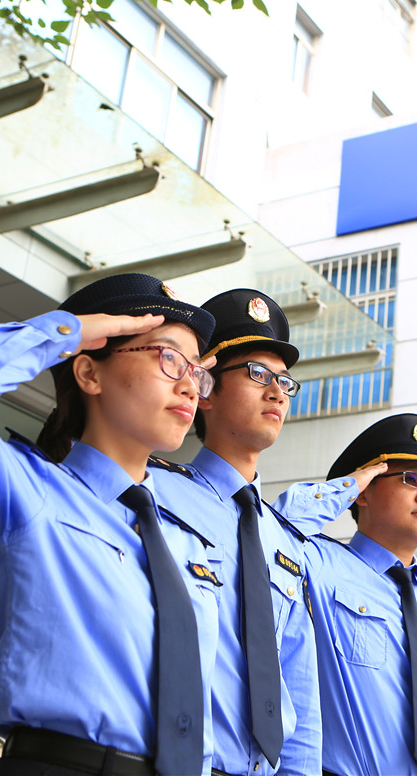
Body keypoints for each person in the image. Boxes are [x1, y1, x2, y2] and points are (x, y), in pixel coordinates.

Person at [0, 273, 222, 776]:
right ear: (90, 374)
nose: (189, 385)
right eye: (168, 358)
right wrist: (70, 332)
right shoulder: (31, 493)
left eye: (198, 372)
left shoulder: (183, 541)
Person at [152, 288, 321, 776]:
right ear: (203, 388)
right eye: (256, 374)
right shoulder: (152, 495)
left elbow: (299, 688)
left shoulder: (286, 542)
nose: (276, 392)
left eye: (285, 382)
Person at [284, 413, 417, 776]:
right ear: (364, 492)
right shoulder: (319, 566)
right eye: (411, 479)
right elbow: (274, 529)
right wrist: (346, 487)